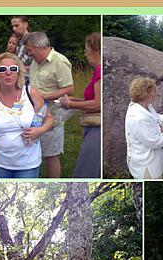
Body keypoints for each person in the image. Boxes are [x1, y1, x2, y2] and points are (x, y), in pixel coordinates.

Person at [25, 32, 74, 178]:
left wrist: (44, 97)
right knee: (32, 150)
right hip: (34, 114)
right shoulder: (35, 62)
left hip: (52, 113)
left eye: (29, 50)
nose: (28, 54)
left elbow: (69, 89)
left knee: (51, 154)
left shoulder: (59, 61)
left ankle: (54, 180)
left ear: (38, 47)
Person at [58, 32, 102, 178]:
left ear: (96, 50)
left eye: (86, 48)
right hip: (91, 127)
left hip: (97, 129)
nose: (84, 52)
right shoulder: (98, 70)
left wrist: (70, 104)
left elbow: (98, 104)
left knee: (86, 172)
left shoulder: (100, 70)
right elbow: (94, 100)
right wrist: (75, 101)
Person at [125, 77, 163, 179]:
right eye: (153, 91)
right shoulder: (139, 119)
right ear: (146, 94)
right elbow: (155, 142)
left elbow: (152, 116)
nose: (155, 93)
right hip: (147, 167)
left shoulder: (143, 105)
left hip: (152, 160)